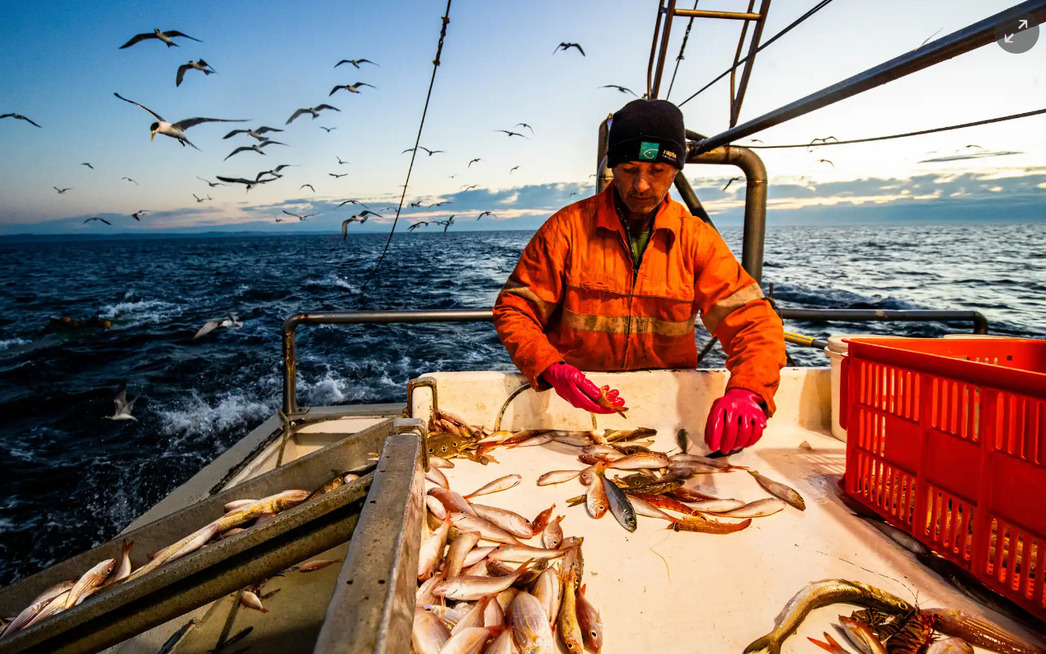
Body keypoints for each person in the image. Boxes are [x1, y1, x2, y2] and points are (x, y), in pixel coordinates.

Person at [492, 98, 786, 454]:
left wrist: (748, 391)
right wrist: (551, 368)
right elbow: (515, 308)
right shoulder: (565, 230)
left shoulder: (697, 240)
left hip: (666, 415)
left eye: (657, 171)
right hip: (576, 408)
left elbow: (753, 322)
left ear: (676, 171)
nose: (641, 185)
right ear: (613, 167)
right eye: (629, 169)